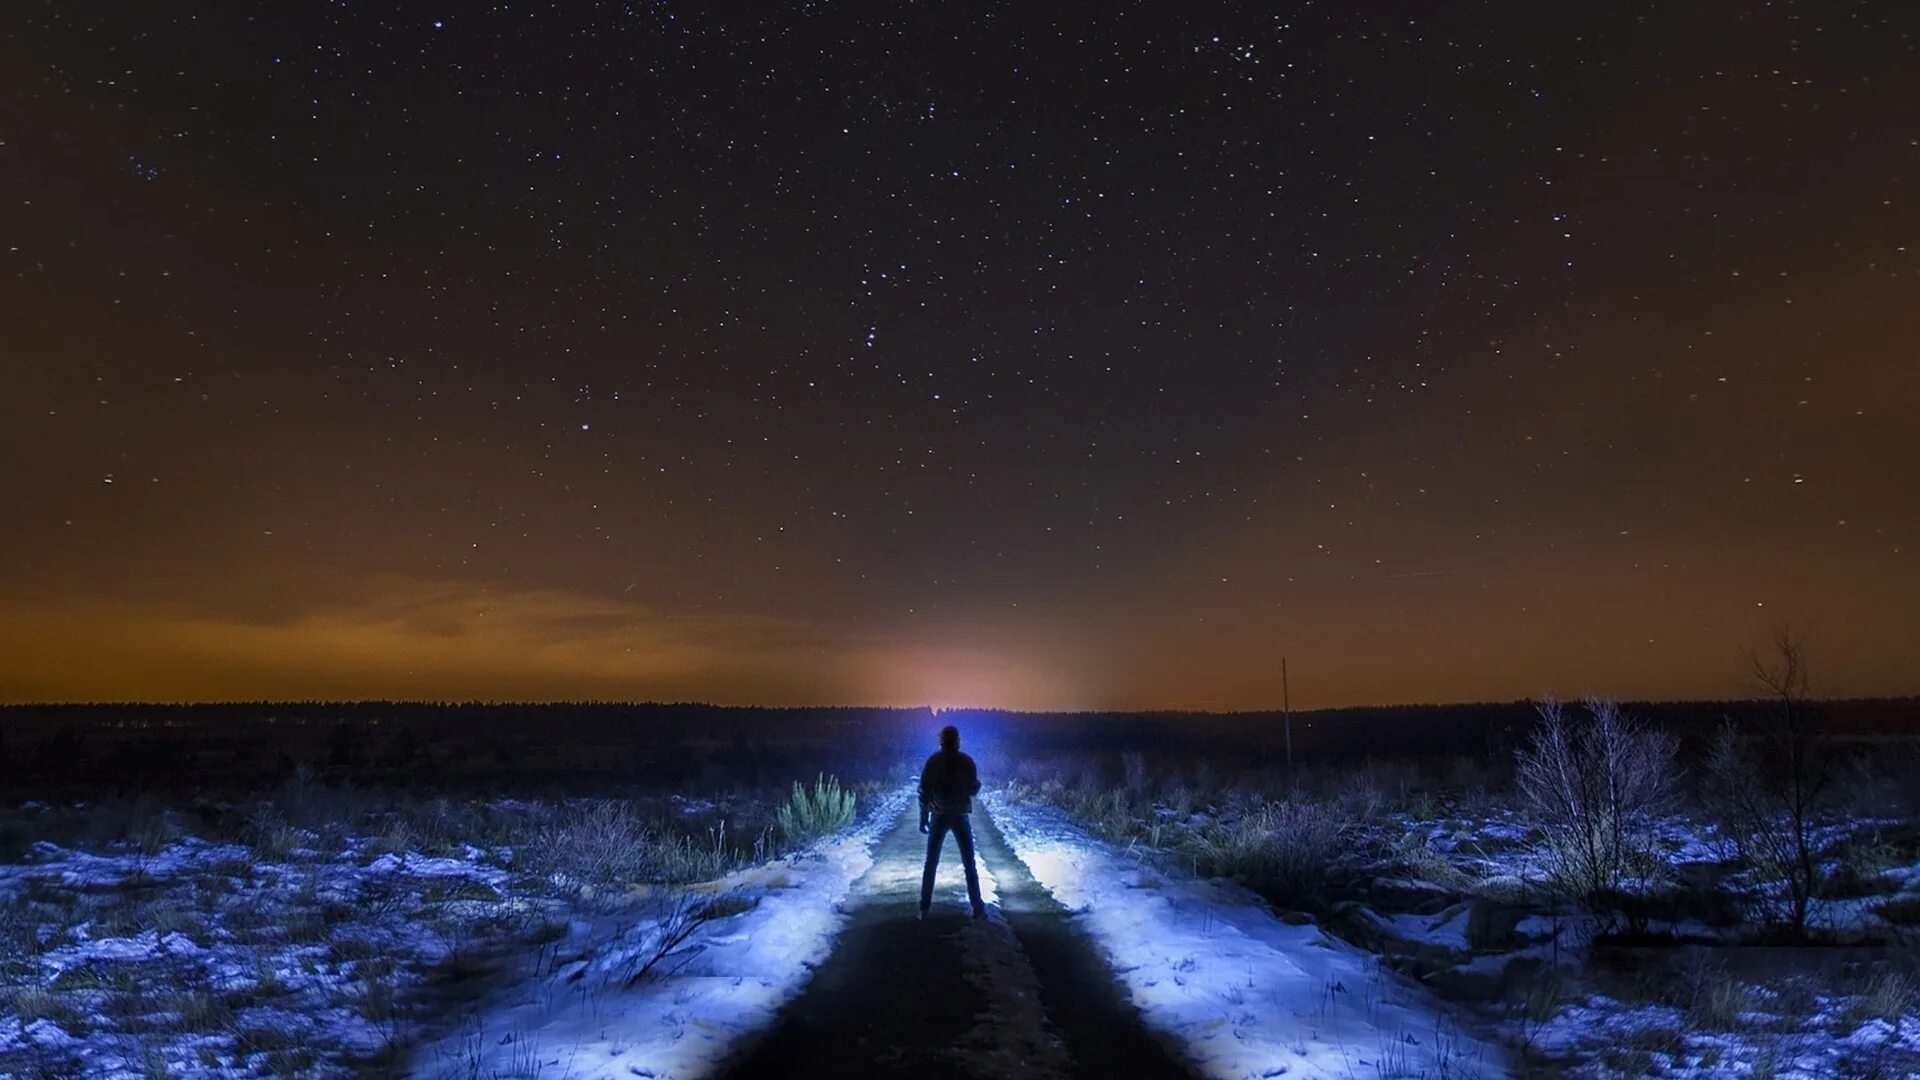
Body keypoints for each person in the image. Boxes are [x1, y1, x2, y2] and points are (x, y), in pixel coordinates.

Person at [918, 724, 985, 919]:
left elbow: (924, 791)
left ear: (941, 740)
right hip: (959, 816)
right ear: (957, 741)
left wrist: (923, 817)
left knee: (931, 864)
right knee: (969, 864)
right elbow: (972, 789)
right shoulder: (966, 761)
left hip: (938, 816)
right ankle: (977, 907)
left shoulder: (933, 761)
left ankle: (924, 908)